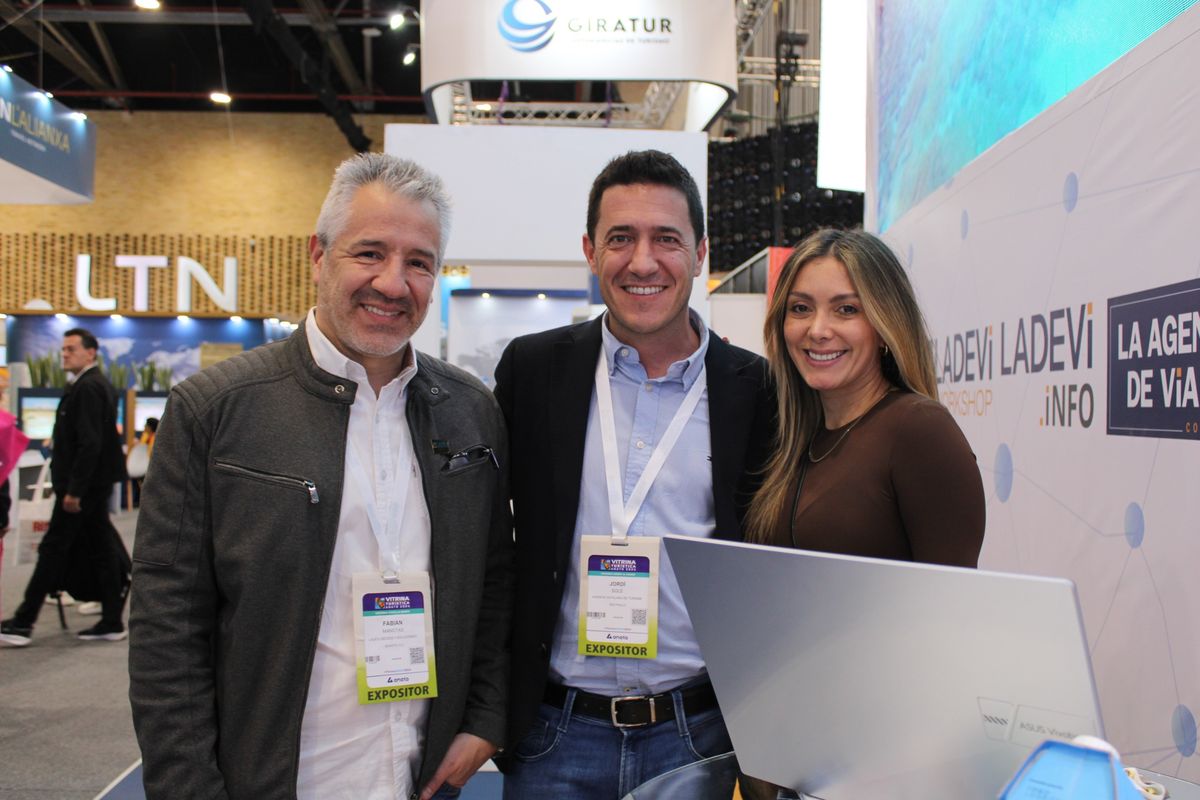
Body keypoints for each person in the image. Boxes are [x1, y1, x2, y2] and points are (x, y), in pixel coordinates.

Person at [128, 153, 513, 800]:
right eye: (369, 253)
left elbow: (494, 581)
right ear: (319, 255)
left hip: (419, 775)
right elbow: (169, 625)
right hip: (278, 778)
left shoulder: (471, 410)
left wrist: (484, 718)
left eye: (419, 262)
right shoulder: (217, 410)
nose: (393, 283)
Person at [494, 149, 775, 799]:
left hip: (697, 736)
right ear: (591, 251)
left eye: (666, 239)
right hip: (554, 734)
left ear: (701, 252)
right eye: (621, 238)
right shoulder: (534, 372)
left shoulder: (753, 389)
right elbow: (488, 549)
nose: (643, 262)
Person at [739, 228, 986, 800]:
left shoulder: (918, 430)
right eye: (800, 309)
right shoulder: (793, 440)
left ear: (883, 324)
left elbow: (952, 629)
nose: (817, 329)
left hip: (889, 765)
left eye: (845, 309)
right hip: (799, 753)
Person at [0, 329, 129, 647]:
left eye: (72, 349)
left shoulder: (89, 387)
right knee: (100, 551)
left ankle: (23, 621)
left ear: (91, 353)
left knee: (53, 550)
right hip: (87, 486)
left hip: (82, 489)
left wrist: (74, 490)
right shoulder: (88, 385)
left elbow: (90, 443)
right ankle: (111, 619)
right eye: (63, 349)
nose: (64, 354)